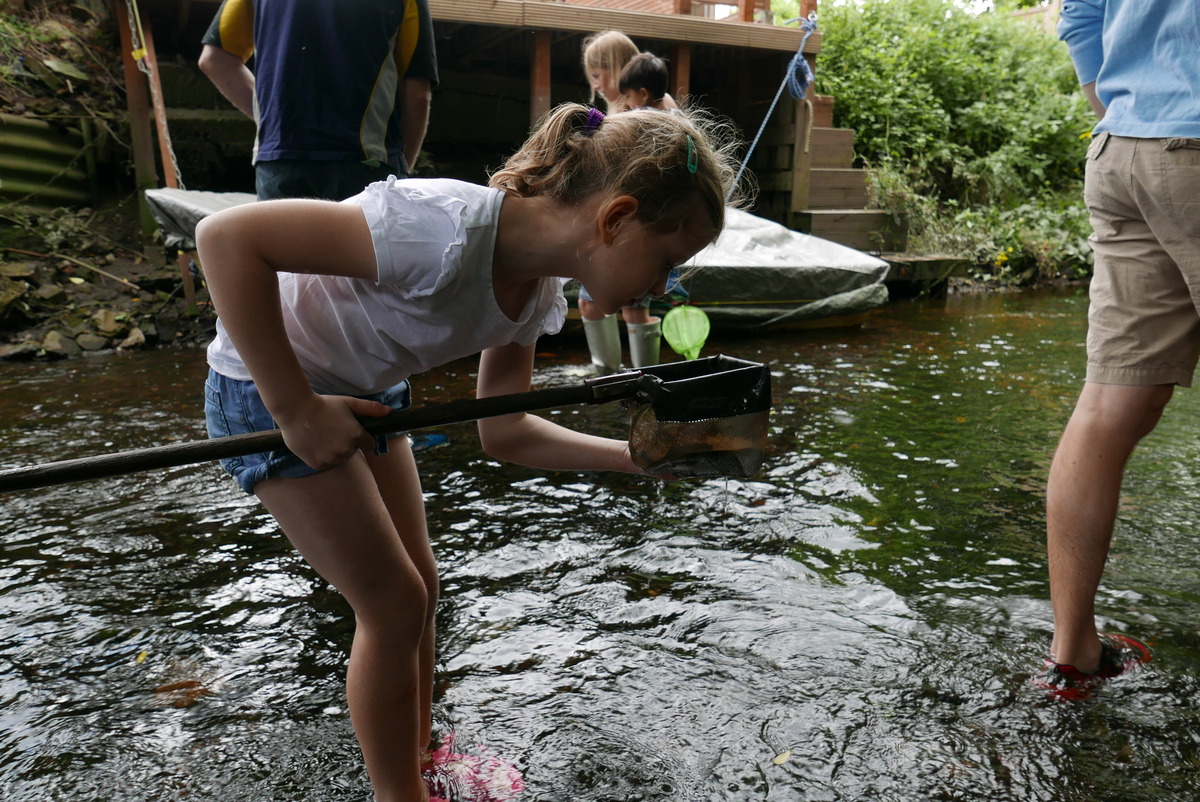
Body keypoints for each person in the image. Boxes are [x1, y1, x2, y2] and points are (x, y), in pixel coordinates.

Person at [194, 103, 738, 802]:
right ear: (615, 219)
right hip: (265, 392)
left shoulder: (535, 294)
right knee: (392, 603)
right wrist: (294, 408)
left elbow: (504, 431)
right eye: (669, 262)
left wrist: (639, 456)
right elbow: (226, 238)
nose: (666, 287)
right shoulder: (436, 227)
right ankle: (401, 797)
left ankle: (418, 757)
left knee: (422, 585)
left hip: (366, 389)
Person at [1037, 0, 1200, 700]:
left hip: (1123, 144)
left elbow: (1079, 13)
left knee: (1108, 406)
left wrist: (1122, 93)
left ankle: (1074, 654)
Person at [198, 0, 438, 201]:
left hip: (281, 159)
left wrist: (274, 119)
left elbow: (215, 60)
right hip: (366, 162)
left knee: (282, 256)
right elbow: (417, 95)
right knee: (363, 258)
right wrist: (401, 170)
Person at [578, 32, 682, 372]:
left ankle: (626, 378)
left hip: (639, 223)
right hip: (626, 221)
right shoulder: (635, 107)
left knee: (617, 305)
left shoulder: (654, 108)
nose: (595, 86)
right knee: (612, 305)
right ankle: (622, 377)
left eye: (598, 76)